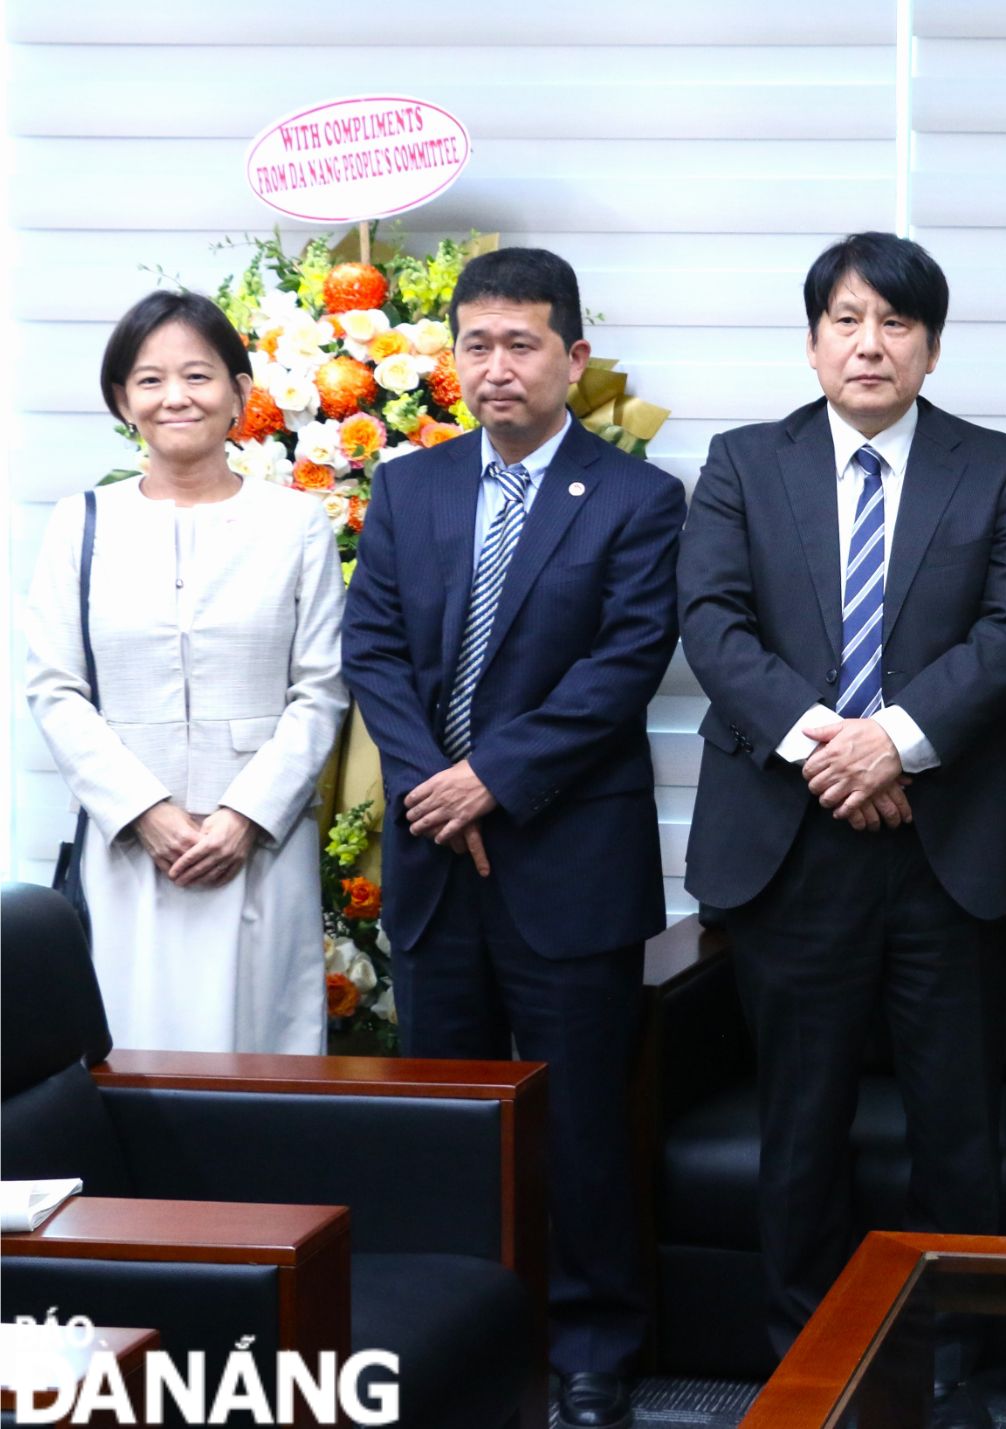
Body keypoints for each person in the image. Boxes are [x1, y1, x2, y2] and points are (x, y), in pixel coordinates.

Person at [678, 233, 1006, 1374]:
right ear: (810, 342)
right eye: (846, 319)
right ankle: (809, 1359)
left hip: (946, 852)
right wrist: (828, 749)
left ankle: (959, 1371)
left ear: (931, 348)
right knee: (799, 1126)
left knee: (956, 1131)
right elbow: (711, 621)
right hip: (789, 850)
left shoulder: (999, 468)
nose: (869, 342)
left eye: (895, 323)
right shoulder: (743, 463)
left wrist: (892, 744)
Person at [341, 247, 687, 1429]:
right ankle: (458, 1332)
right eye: (476, 344)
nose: (497, 367)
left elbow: (621, 668)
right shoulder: (410, 487)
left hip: (567, 864)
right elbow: (372, 651)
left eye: (521, 343)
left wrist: (493, 778)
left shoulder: (639, 498)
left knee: (581, 1119)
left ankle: (594, 1347)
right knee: (452, 1118)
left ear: (572, 358)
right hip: (437, 860)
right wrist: (438, 784)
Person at [24, 289, 346, 1055]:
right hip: (132, 848)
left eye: (199, 376)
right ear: (120, 399)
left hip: (259, 848)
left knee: (262, 1056)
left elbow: (321, 688)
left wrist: (242, 816)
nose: (176, 397)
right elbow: (55, 686)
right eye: (150, 379)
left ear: (240, 393)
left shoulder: (296, 522)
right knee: (130, 1053)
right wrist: (148, 811)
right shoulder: (81, 521)